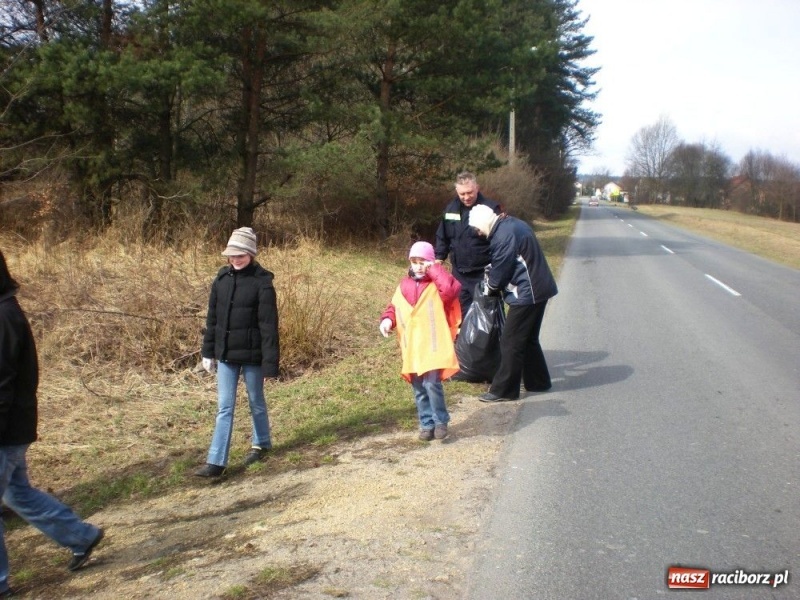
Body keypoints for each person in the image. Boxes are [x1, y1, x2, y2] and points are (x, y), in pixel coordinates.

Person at [0, 250, 104, 596]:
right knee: (18, 494)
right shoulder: (6, 310)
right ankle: (81, 536)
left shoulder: (3, 316)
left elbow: (3, 384)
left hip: (7, 429)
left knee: (16, 494)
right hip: (13, 426)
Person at [196, 227, 280, 478]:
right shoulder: (221, 280)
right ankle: (216, 462)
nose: (236, 258)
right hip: (225, 354)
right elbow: (213, 320)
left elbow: (269, 326)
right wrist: (208, 352)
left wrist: (270, 364)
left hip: (253, 355)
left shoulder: (263, 283)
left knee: (256, 402)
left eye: (241, 254)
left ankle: (262, 443)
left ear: (251, 254)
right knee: (224, 406)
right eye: (232, 254)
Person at [468, 205, 558, 402]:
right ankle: (538, 381)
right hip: (540, 288)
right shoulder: (511, 225)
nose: (478, 233)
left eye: (477, 228)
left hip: (528, 293)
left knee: (510, 341)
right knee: (529, 339)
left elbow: (502, 268)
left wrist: (490, 288)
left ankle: (504, 390)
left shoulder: (503, 235)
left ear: (483, 223)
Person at [379, 242, 461, 441]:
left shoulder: (436, 284)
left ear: (430, 262)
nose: (417, 266)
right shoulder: (404, 284)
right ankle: (426, 424)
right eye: (414, 262)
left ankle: (441, 421)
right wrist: (388, 319)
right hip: (412, 348)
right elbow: (394, 306)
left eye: (422, 261)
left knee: (432, 384)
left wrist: (434, 269)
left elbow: (450, 292)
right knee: (419, 389)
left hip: (432, 346)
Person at [434, 171, 501, 318]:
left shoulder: (491, 209)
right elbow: (442, 236)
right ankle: (465, 341)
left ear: (477, 187)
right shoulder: (450, 209)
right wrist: (439, 257)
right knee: (462, 317)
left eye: (469, 192)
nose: (466, 197)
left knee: (486, 319)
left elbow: (500, 242)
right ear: (457, 192)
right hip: (459, 275)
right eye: (462, 194)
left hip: (483, 275)